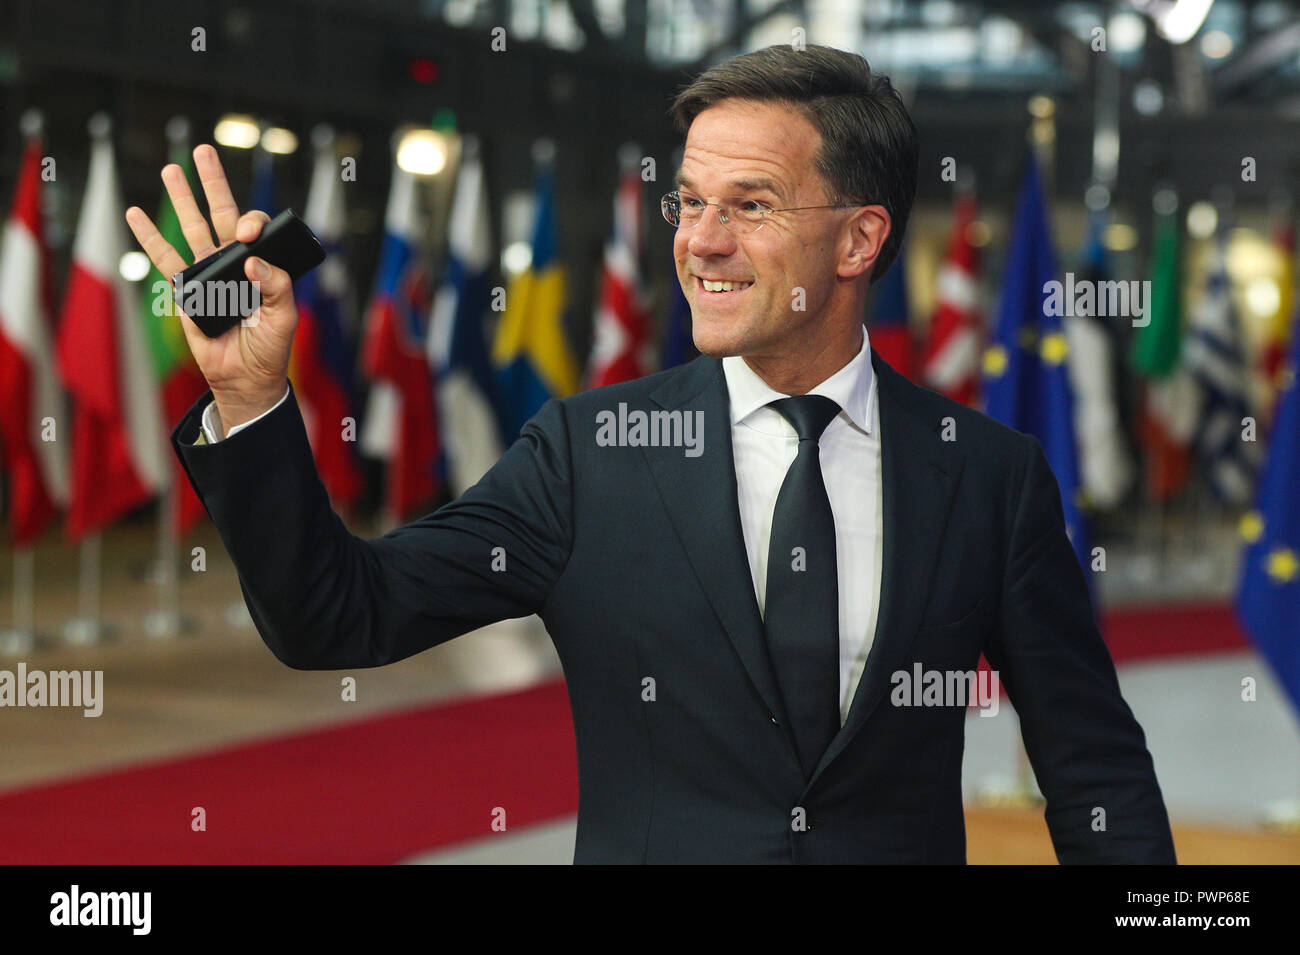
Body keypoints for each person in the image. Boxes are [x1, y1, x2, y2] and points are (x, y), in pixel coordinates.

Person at [126, 44, 1176, 864]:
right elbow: (334, 615)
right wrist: (256, 397)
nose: (700, 240)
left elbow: (1091, 764)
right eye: (689, 200)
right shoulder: (587, 458)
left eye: (749, 205)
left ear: (859, 240)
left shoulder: (985, 478)